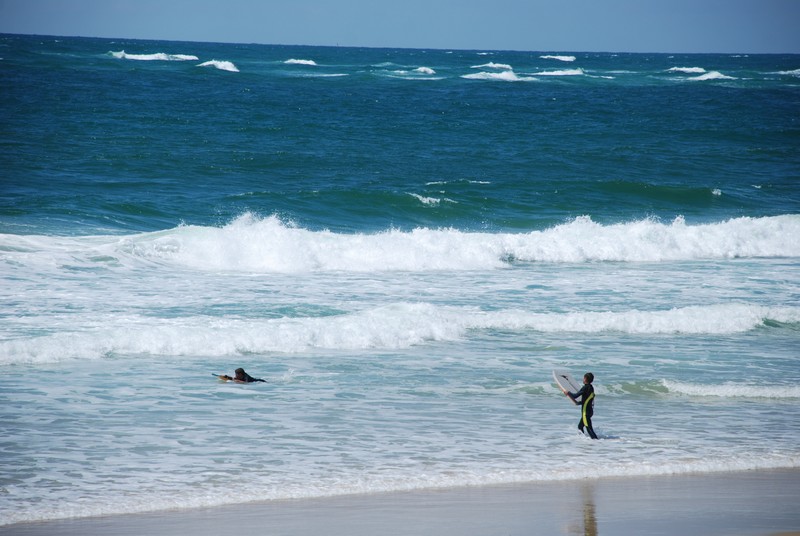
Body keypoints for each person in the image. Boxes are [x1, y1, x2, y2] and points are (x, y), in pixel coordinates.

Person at [562, 372, 598, 439]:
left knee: (589, 429)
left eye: (584, 378)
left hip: (585, 412)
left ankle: (597, 442)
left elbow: (575, 396)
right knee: (580, 426)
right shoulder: (591, 388)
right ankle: (583, 440)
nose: (583, 379)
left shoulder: (585, 388)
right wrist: (579, 403)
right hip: (590, 411)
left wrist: (568, 392)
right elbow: (587, 400)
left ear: (585, 379)